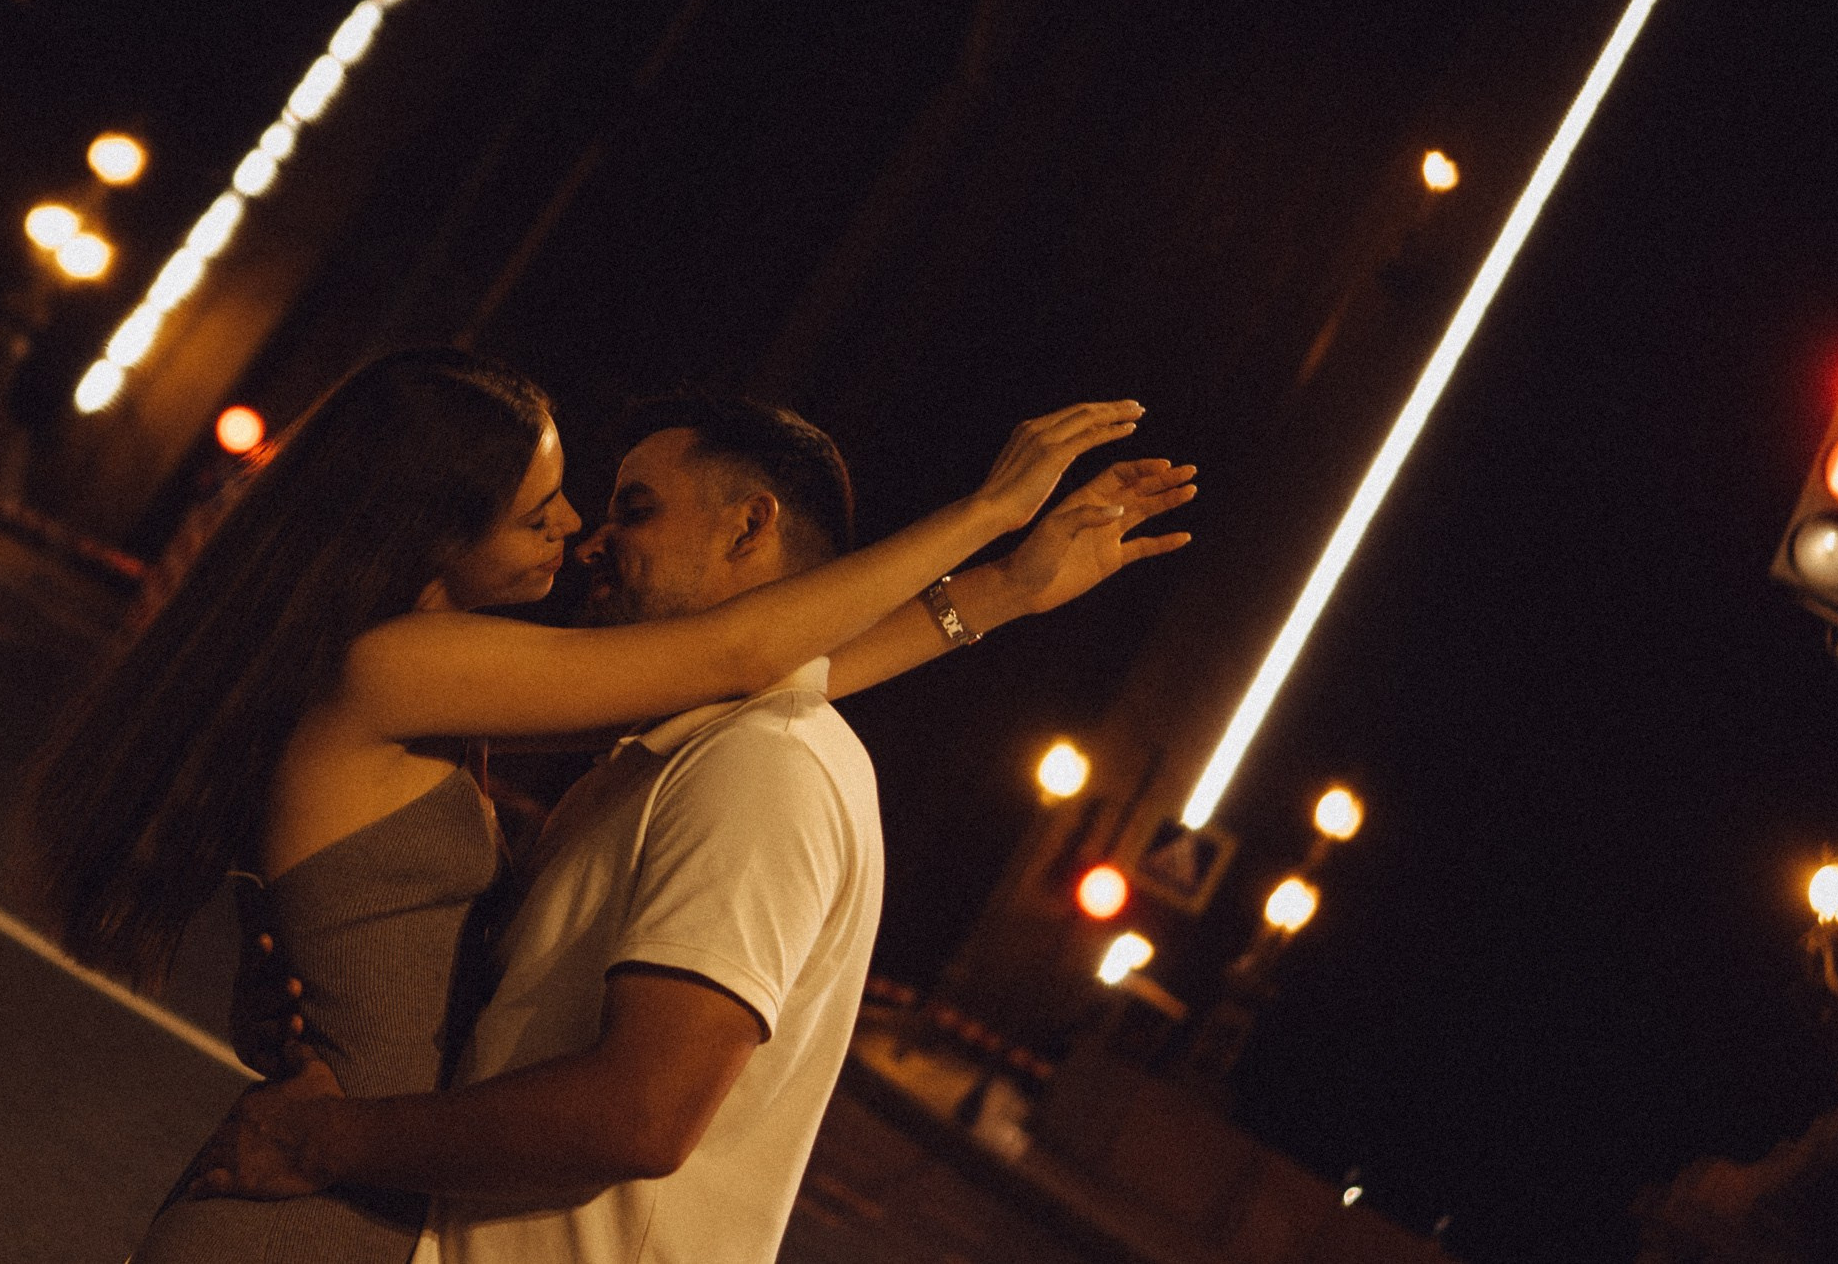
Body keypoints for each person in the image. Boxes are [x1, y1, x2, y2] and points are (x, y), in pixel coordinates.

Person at [178, 390, 1195, 1263]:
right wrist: (986, 520)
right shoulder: (403, 667)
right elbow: (738, 661)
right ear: (440, 516)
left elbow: (766, 675)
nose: (579, 532)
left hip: (335, 1198)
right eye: (539, 507)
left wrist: (1003, 584)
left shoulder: (752, 756)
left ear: (750, 528)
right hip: (313, 1215)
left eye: (628, 507)